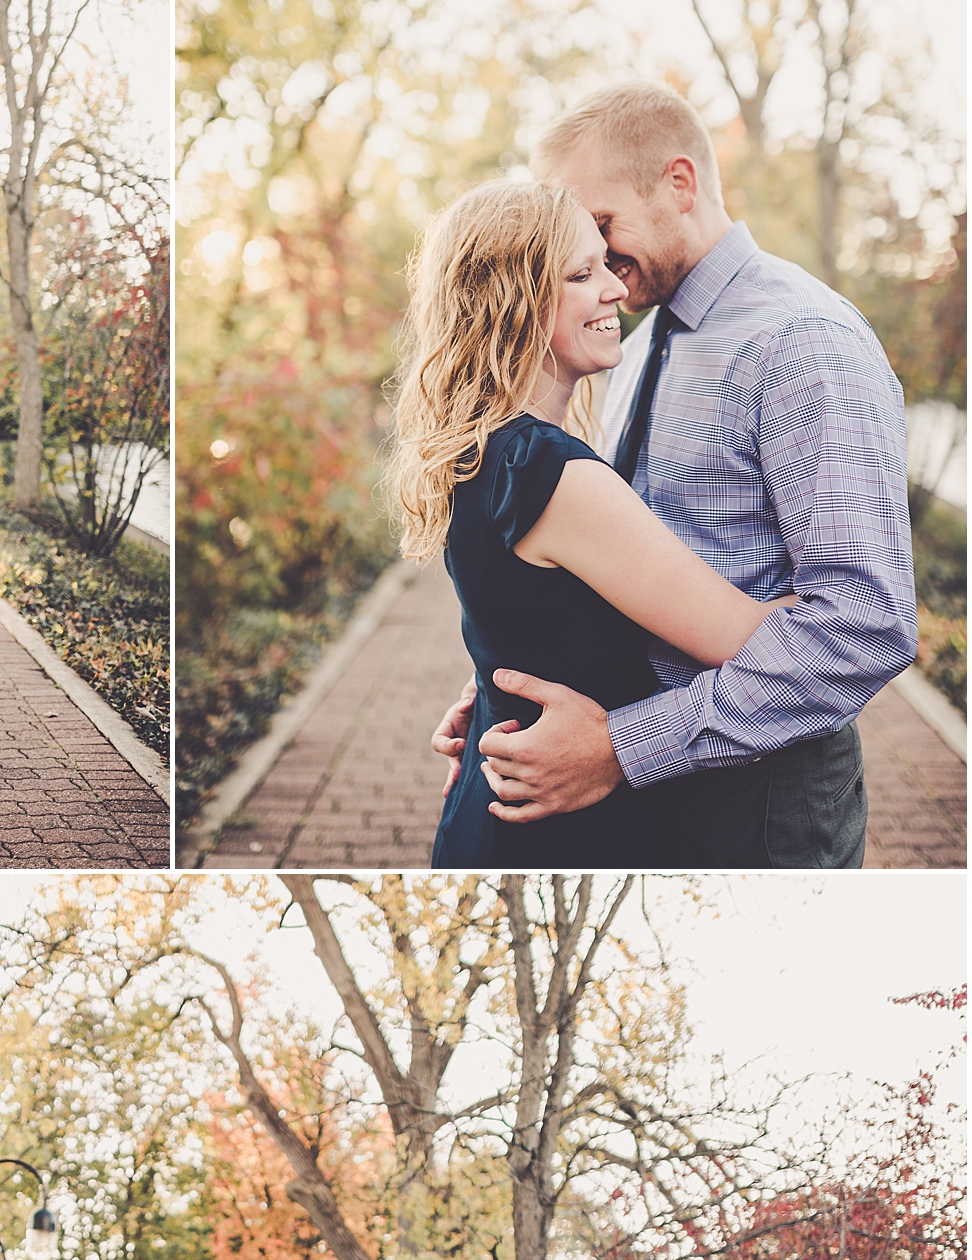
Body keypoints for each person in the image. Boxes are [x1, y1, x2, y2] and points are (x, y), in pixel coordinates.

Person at [429, 82, 916, 868]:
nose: (601, 269)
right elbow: (584, 563)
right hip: (627, 782)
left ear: (679, 185)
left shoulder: (803, 342)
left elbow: (865, 625)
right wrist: (510, 681)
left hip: (758, 796)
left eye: (599, 226)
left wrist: (623, 746)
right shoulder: (634, 343)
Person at [391, 181, 797, 868]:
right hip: (562, 824)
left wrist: (485, 689)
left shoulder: (479, 448)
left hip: (496, 806)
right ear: (511, 303)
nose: (615, 289)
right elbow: (748, 641)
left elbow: (525, 620)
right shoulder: (553, 474)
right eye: (582, 273)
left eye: (606, 264)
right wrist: (836, 606)